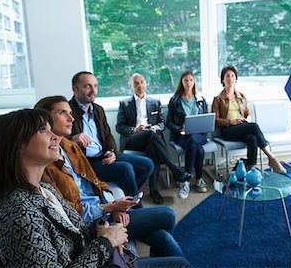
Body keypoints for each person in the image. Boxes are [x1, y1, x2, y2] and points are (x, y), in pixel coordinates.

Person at [35, 96, 189, 264]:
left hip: (103, 208)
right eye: (63, 113)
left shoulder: (69, 146)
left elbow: (97, 181)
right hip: (93, 222)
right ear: (45, 120)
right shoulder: (45, 163)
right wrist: (108, 207)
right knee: (167, 214)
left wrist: (114, 205)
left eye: (70, 113)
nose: (71, 118)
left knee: (164, 238)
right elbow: (69, 213)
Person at [0, 109, 127, 266]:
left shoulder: (45, 189)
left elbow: (75, 230)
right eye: (43, 130)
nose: (56, 137)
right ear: (17, 145)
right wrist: (105, 244)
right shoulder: (18, 215)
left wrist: (102, 230)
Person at [68, 71, 154, 208]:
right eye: (87, 86)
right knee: (125, 169)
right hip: (88, 162)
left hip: (104, 155)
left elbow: (108, 135)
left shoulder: (98, 110)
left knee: (148, 165)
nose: (93, 91)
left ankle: (127, 196)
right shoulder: (68, 111)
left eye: (95, 86)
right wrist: (73, 138)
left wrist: (111, 151)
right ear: (75, 89)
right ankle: (137, 208)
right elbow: (59, 137)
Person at [116, 73, 192, 204]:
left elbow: (162, 124)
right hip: (133, 139)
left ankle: (154, 190)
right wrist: (135, 129)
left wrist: (154, 128)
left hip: (151, 137)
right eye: (136, 83)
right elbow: (120, 127)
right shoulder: (125, 103)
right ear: (131, 86)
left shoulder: (155, 102)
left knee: (153, 148)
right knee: (151, 137)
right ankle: (176, 170)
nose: (139, 85)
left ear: (146, 84)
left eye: (142, 82)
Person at [212, 66, 286, 174]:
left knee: (252, 138)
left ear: (236, 79)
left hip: (241, 127)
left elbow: (246, 114)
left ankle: (251, 166)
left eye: (232, 76)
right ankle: (271, 157)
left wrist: (244, 119)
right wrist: (230, 122)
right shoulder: (218, 99)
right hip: (227, 130)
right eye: (227, 76)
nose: (230, 78)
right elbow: (215, 120)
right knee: (254, 126)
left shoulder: (241, 96)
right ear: (223, 79)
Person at [166, 71, 209, 199]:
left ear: (194, 82)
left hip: (199, 135)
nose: (189, 83)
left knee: (193, 139)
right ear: (182, 82)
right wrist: (179, 129)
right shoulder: (175, 101)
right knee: (198, 149)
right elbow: (169, 122)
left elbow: (206, 119)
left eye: (191, 80)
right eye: (186, 80)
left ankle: (186, 179)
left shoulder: (200, 100)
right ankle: (199, 179)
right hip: (181, 136)